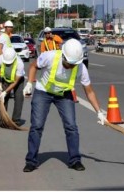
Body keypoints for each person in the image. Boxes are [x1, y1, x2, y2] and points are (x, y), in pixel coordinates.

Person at [22, 38, 107, 172]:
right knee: (37, 126)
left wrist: (99, 112)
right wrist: (29, 83)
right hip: (43, 92)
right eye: (69, 63)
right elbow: (33, 66)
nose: (71, 66)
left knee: (71, 126)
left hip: (64, 95)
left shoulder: (80, 67)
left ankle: (75, 160)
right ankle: (31, 160)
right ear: (63, 55)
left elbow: (89, 91)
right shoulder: (49, 57)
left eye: (74, 64)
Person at [0, 47, 25, 126]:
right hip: (5, 79)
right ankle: (3, 119)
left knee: (19, 98)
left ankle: (16, 120)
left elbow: (15, 82)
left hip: (18, 81)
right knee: (2, 99)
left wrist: (5, 92)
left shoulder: (20, 63)